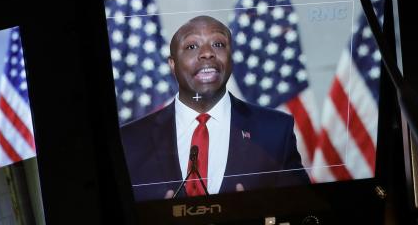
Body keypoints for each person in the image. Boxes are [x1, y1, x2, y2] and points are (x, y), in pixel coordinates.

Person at [120, 15, 310, 201]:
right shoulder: (130, 140)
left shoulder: (275, 129)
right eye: (192, 46)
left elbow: (302, 206)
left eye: (218, 44)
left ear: (231, 59)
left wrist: (258, 210)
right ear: (172, 64)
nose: (207, 53)